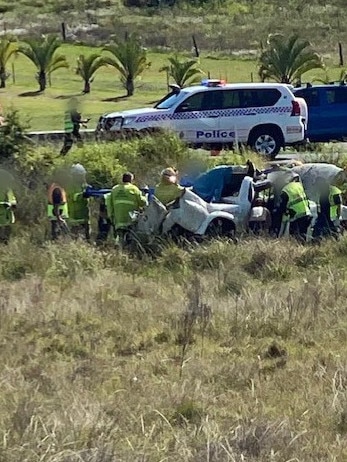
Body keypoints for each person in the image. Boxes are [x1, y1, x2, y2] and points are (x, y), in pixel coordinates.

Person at [192, 160, 256, 202]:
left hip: (224, 175)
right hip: (222, 176)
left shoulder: (224, 171)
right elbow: (217, 189)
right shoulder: (220, 174)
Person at [275, 173, 312, 242]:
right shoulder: (298, 185)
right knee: (303, 236)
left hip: (296, 216)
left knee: (295, 238)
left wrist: (278, 213)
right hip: (307, 213)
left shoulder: (285, 190)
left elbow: (282, 207)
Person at [67, 163, 91, 240]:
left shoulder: (85, 185)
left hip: (85, 215)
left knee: (87, 237)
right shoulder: (70, 186)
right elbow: (73, 197)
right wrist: (83, 195)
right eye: (80, 175)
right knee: (74, 237)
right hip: (75, 216)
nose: (82, 177)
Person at [47, 175, 69, 240]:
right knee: (58, 235)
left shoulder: (55, 187)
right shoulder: (57, 189)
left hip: (56, 216)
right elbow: (56, 204)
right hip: (58, 216)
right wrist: (59, 217)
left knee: (56, 234)